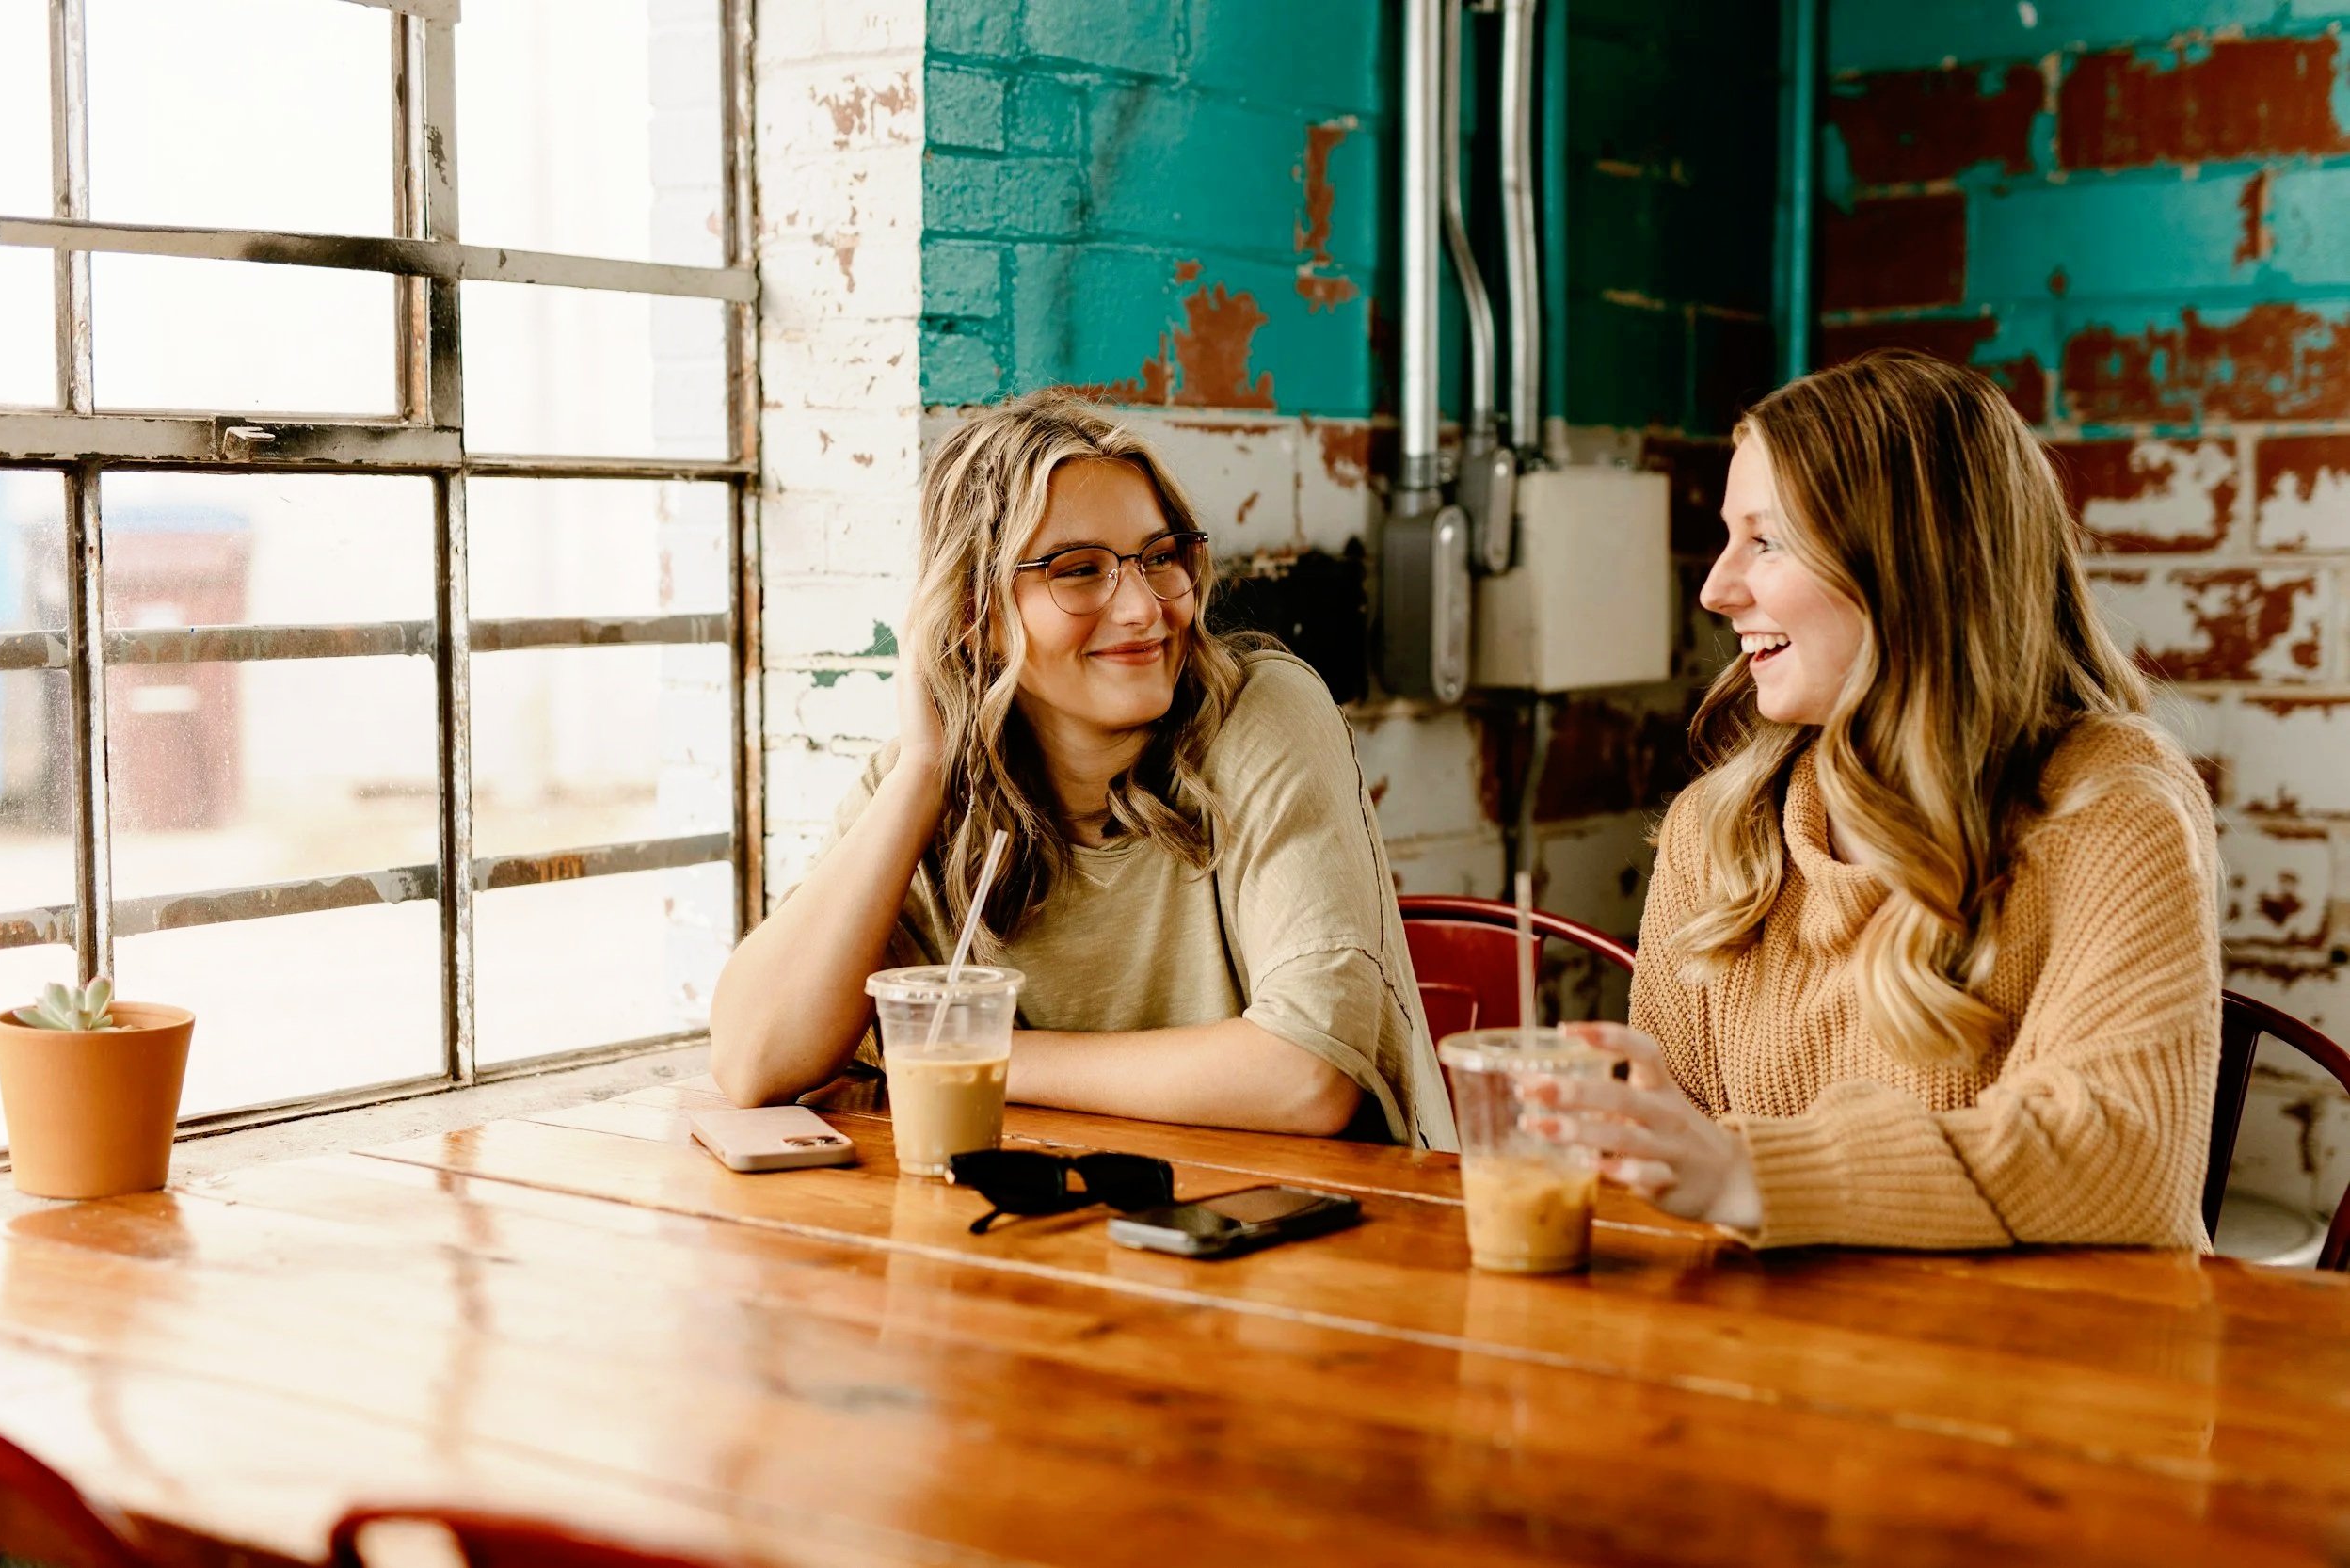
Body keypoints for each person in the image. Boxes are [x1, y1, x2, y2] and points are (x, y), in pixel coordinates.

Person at [1531, 349, 2220, 1250]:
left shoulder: (2112, 807)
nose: (1715, 589)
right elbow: (1680, 1177)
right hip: (1792, 1358)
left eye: (1766, 540)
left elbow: (2117, 1158)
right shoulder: (1722, 830)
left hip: (2061, 1366)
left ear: (1912, 566)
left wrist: (1749, 1171)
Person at [711, 391, 1456, 1149]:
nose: (1142, 607)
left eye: (1160, 558)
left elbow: (1305, 1078)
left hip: (1317, 1234)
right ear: (976, 614)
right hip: (1046, 1235)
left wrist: (973, 1051)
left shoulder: (1263, 716)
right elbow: (752, 1061)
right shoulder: (926, 780)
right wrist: (922, 771)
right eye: (1078, 570)